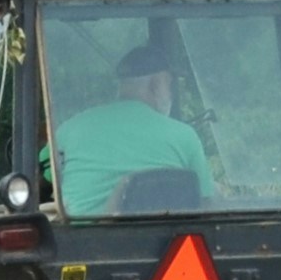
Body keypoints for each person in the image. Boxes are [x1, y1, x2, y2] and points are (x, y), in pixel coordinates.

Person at [53, 38, 214, 213]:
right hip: (161, 236)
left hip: (81, 237)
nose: (170, 94)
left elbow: (46, 184)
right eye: (169, 85)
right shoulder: (185, 136)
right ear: (155, 85)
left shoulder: (70, 129)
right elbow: (204, 204)